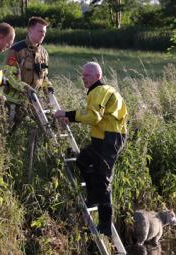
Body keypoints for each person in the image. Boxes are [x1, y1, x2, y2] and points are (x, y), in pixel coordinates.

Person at [54, 62, 128, 237]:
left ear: (97, 76)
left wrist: (67, 114)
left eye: (87, 75)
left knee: (103, 180)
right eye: (82, 75)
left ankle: (105, 226)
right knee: (82, 160)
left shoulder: (98, 91)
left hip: (110, 138)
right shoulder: (103, 90)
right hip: (103, 137)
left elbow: (94, 117)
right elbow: (97, 117)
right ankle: (93, 196)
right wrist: (72, 119)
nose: (83, 78)